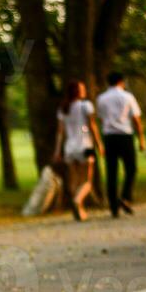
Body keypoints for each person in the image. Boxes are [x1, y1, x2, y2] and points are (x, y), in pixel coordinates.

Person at [97, 72, 146, 218]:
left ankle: (113, 207)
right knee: (131, 169)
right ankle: (125, 197)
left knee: (111, 172)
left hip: (109, 137)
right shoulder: (128, 96)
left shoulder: (101, 98)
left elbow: (101, 118)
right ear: (121, 82)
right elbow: (136, 119)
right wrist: (141, 138)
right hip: (125, 136)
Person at [53, 80, 104, 222]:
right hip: (85, 146)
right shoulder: (86, 106)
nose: (84, 90)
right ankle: (77, 201)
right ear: (78, 92)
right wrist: (99, 144)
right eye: (82, 89)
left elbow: (60, 132)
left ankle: (80, 210)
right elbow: (92, 126)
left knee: (74, 181)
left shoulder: (63, 108)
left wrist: (57, 151)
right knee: (87, 180)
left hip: (69, 148)